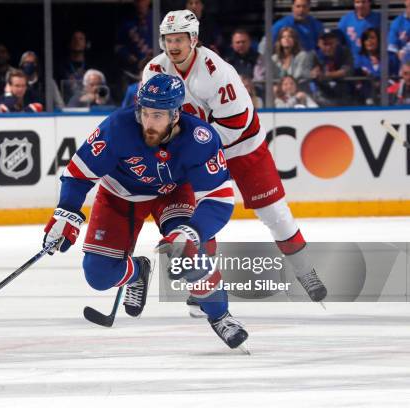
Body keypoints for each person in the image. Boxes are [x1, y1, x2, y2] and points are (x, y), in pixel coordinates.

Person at [43, 73, 248, 350]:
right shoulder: (118, 127)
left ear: (176, 114)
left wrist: (192, 232)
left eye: (158, 116)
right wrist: (66, 212)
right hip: (120, 195)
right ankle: (137, 271)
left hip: (174, 192)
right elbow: (78, 174)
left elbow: (219, 199)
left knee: (188, 252)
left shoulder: (200, 138)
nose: (148, 123)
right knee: (98, 275)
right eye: (145, 113)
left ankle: (221, 316)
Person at [143, 10, 327, 314]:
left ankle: (305, 271)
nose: (173, 46)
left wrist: (191, 146)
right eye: (168, 39)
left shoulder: (217, 71)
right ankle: (204, 284)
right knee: (196, 215)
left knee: (275, 213)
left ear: (194, 39)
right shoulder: (154, 70)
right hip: (194, 150)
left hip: (242, 145)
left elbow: (236, 123)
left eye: (179, 39)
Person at [311, 29, 354, 106]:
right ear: (319, 44)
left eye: (331, 43)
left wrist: (326, 75)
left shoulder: (345, 52)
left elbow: (347, 71)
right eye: (325, 44)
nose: (328, 47)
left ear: (337, 42)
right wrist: (314, 73)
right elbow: (309, 73)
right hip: (322, 93)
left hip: (343, 92)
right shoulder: (314, 55)